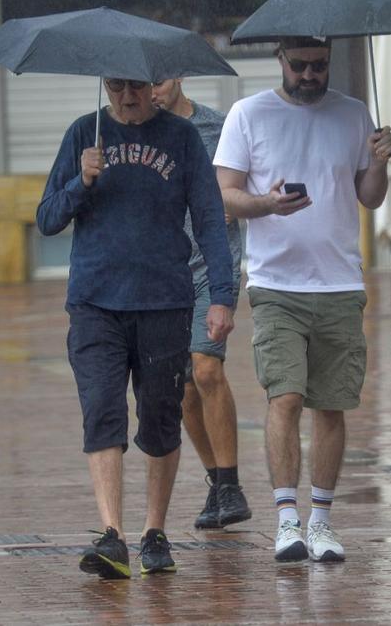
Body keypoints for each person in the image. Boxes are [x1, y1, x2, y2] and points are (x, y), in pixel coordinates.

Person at [37, 76, 235, 579]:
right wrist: (80, 181)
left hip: (165, 300)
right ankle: (112, 535)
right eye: (117, 87)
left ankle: (154, 531)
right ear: (105, 86)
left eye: (138, 87)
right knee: (102, 409)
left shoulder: (182, 138)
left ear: (156, 86)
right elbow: (46, 219)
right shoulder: (84, 132)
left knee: (159, 416)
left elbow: (210, 219)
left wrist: (222, 297)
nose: (128, 97)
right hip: (95, 302)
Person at [215, 36, 391, 563]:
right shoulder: (249, 114)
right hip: (276, 284)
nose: (310, 75)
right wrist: (267, 203)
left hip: (340, 282)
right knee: (285, 397)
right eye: (300, 66)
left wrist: (381, 160)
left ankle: (321, 522)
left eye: (320, 66)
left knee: (331, 404)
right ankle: (286, 519)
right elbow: (223, 194)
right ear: (281, 61)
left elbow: (369, 197)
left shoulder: (355, 112)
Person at [151, 78, 250, 530]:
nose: (151, 91)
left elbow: (250, 179)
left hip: (213, 263)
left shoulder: (221, 126)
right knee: (184, 385)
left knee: (206, 368)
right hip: (164, 269)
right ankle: (217, 482)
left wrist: (235, 201)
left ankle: (229, 483)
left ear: (179, 78)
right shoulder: (138, 132)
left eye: (159, 81)